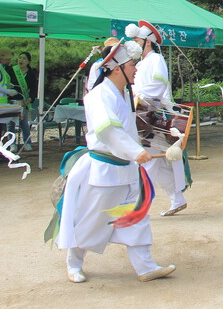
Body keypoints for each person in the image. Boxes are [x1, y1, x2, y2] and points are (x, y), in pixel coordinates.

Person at [53, 40, 175, 284]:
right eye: (132, 64)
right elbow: (107, 131)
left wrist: (145, 145)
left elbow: (127, 130)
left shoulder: (125, 94)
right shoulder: (99, 95)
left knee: (136, 217)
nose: (136, 69)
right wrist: (135, 151)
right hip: (102, 169)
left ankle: (145, 266)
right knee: (91, 219)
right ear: (117, 68)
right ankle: (74, 263)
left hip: (127, 169)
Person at [128, 20, 191, 216]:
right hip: (143, 115)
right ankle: (177, 198)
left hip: (152, 115)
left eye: (137, 39)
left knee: (148, 162)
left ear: (147, 42)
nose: (134, 43)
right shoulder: (141, 63)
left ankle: (136, 206)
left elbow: (158, 85)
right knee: (157, 162)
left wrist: (138, 98)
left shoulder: (156, 59)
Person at [10, 51, 39, 151]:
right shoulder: (12, 70)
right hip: (12, 101)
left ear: (28, 61)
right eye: (19, 58)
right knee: (11, 124)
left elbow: (34, 89)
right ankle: (12, 144)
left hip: (24, 101)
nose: (21, 60)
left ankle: (27, 143)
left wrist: (30, 99)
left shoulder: (31, 73)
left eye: (23, 58)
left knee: (24, 123)